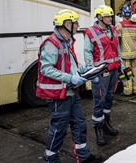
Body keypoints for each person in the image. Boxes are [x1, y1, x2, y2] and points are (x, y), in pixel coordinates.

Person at [36, 9, 102, 163]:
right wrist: (70, 78)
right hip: (59, 96)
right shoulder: (52, 43)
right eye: (76, 23)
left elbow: (71, 65)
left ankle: (83, 157)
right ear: (67, 24)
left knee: (79, 125)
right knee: (58, 129)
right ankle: (50, 160)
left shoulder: (66, 41)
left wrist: (87, 70)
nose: (78, 26)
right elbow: (46, 69)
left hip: (71, 93)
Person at [83, 5, 123, 146]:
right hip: (101, 72)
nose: (110, 18)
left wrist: (122, 65)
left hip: (113, 70)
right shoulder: (91, 32)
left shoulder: (113, 30)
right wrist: (91, 71)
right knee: (99, 100)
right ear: (99, 17)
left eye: (111, 16)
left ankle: (106, 123)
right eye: (107, 16)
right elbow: (87, 52)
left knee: (109, 98)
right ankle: (98, 128)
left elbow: (117, 48)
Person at [116, 6, 136, 97]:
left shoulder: (120, 25)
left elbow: (115, 38)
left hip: (124, 53)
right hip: (135, 53)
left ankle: (127, 91)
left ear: (123, 14)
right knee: (135, 71)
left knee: (125, 71)